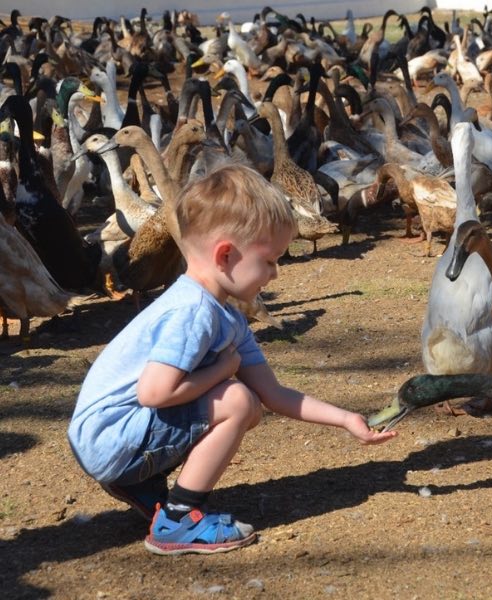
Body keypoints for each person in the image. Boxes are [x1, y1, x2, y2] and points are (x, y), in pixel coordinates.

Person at [68, 164, 396, 556]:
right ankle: (177, 518)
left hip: (115, 436)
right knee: (238, 400)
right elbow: (155, 393)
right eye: (270, 260)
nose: (275, 273)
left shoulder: (225, 316)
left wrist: (345, 419)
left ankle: (138, 483)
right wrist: (221, 370)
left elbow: (273, 394)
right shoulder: (192, 313)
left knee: (247, 401)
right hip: (109, 438)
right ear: (225, 255)